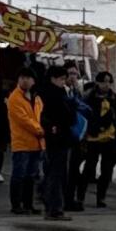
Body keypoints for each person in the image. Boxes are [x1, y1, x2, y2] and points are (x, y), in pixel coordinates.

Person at [40, 65, 77, 221]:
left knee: (54, 173)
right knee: (56, 174)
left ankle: (52, 205)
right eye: (61, 79)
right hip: (57, 138)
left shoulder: (57, 93)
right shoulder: (53, 95)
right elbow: (65, 116)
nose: (64, 82)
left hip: (59, 137)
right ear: (53, 79)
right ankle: (55, 208)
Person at [7, 67, 44, 215]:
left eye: (28, 78)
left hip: (35, 143)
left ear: (33, 81)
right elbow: (23, 120)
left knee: (31, 176)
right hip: (22, 142)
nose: (24, 80)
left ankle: (28, 204)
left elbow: (40, 116)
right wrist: (40, 130)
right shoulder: (14, 98)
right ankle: (16, 204)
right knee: (19, 175)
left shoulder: (37, 98)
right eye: (22, 77)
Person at [80, 72, 116, 208]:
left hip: (110, 137)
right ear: (97, 82)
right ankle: (80, 196)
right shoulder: (89, 97)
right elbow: (84, 114)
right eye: (103, 82)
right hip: (93, 137)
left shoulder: (114, 97)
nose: (106, 85)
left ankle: (101, 197)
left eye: (109, 82)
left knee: (107, 170)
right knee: (89, 167)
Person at [64, 63, 91, 212]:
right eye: (70, 74)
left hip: (77, 135)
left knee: (74, 169)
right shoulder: (64, 93)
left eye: (75, 74)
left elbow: (84, 108)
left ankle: (70, 198)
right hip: (66, 135)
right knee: (65, 169)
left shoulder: (77, 92)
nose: (73, 77)